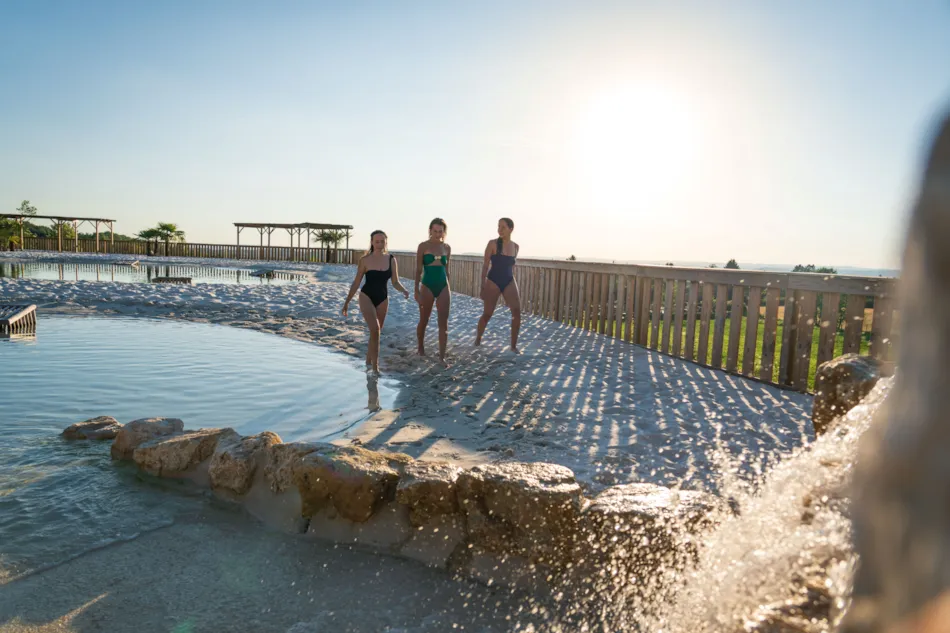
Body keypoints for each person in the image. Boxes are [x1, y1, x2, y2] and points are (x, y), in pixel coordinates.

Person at [342, 230, 410, 373]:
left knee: (375, 333)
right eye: (377, 241)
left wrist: (403, 290)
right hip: (366, 296)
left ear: (386, 242)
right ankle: (375, 367)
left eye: (382, 241)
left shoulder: (391, 259)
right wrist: (347, 302)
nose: (380, 244)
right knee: (375, 329)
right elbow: (356, 282)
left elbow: (395, 282)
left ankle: (367, 361)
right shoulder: (365, 260)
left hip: (383, 298)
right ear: (372, 242)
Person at [475, 218, 521, 352]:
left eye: (503, 227)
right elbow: (485, 265)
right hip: (493, 280)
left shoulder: (516, 246)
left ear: (511, 229)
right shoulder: (492, 244)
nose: (499, 230)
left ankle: (513, 346)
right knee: (488, 314)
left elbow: (511, 266)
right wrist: (482, 286)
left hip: (508, 279)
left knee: (517, 312)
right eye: (498, 227)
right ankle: (478, 338)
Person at [415, 218, 452, 366]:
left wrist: (448, 287)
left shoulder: (447, 247)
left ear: (444, 232)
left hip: (443, 285)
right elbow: (418, 270)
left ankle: (442, 356)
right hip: (427, 285)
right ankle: (420, 348)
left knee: (443, 323)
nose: (437, 234)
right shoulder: (423, 246)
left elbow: (447, 270)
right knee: (424, 319)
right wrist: (416, 290)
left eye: (440, 231)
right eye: (435, 231)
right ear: (430, 230)